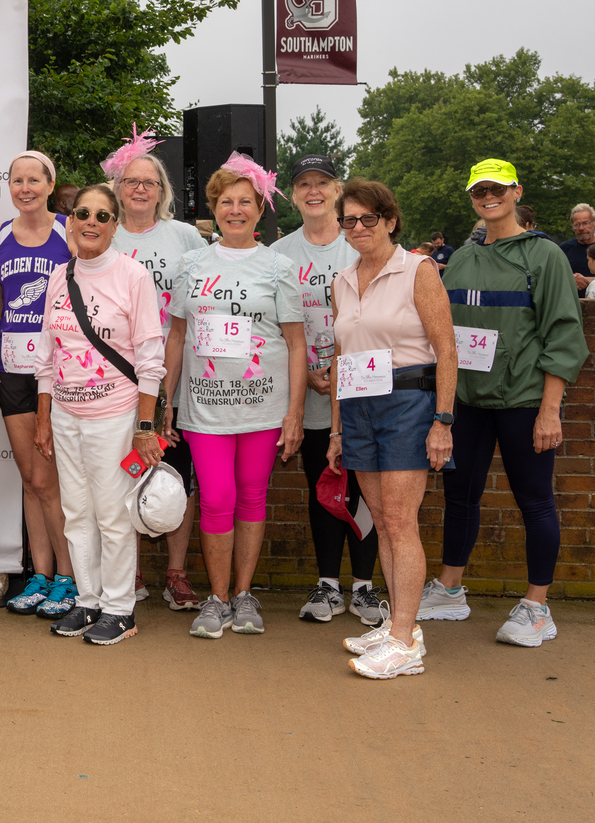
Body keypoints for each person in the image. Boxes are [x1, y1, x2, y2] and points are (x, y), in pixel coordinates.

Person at [422, 160, 587, 646]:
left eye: (497, 189)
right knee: (460, 497)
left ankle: (537, 607)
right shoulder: (464, 258)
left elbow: (563, 334)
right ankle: (450, 589)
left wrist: (550, 409)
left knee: (535, 502)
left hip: (524, 401)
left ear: (516, 191)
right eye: (479, 191)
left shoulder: (546, 256)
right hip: (468, 402)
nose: (488, 197)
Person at [162, 153, 306, 639]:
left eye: (246, 201)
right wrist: (166, 399)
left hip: (264, 405)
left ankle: (243, 595)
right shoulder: (191, 263)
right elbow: (177, 336)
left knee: (252, 497)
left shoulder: (279, 265)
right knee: (217, 497)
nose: (236, 210)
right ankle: (216, 598)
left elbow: (296, 342)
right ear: (214, 208)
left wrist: (295, 412)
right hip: (205, 405)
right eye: (227, 201)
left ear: (260, 207)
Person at [325, 179, 457, 680]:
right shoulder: (340, 279)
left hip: (408, 402)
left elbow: (447, 349)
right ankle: (400, 625)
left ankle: (405, 639)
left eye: (368, 219)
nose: (358, 228)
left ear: (390, 220)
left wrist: (442, 421)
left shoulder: (417, 269)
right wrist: (336, 431)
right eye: (349, 220)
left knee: (402, 521)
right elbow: (341, 359)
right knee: (381, 517)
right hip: (359, 404)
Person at [33, 184, 166, 645]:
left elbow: (150, 360)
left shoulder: (132, 276)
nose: (90, 221)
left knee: (111, 514)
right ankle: (88, 602)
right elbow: (47, 355)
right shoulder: (57, 276)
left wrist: (144, 429)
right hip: (66, 415)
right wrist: (44, 417)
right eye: (83, 213)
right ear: (70, 221)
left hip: (115, 414)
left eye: (102, 216)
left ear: (114, 225)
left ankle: (119, 609)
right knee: (76, 513)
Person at [269, 155, 382, 625]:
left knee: (366, 489)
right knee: (323, 486)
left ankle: (366, 587)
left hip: (363, 390)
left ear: (337, 190)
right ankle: (328, 585)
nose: (313, 191)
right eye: (303, 185)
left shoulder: (359, 245)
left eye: (322, 183)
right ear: (293, 195)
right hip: (308, 391)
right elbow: (271, 327)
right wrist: (310, 375)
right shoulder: (279, 254)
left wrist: (339, 372)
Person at [103, 128, 207, 611]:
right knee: (123, 473)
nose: (140, 189)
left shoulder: (185, 237)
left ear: (163, 192)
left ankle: (176, 572)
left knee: (174, 476)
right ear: (117, 188)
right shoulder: (102, 232)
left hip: (175, 376)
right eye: (130, 181)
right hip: (111, 380)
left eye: (150, 182)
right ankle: (132, 571)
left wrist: (168, 386)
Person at [0, 151, 77, 618]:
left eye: (33, 180)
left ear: (49, 183)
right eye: (17, 180)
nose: (25, 188)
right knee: (30, 478)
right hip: (12, 369)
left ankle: (68, 577)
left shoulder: (69, 230)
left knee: (51, 481)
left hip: (60, 371)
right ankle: (39, 575)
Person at [559, 204, 595, 294]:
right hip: (571, 303)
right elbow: (554, 275)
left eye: (585, 223)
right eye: (577, 224)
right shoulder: (565, 248)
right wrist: (571, 278)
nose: (581, 228)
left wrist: (586, 280)